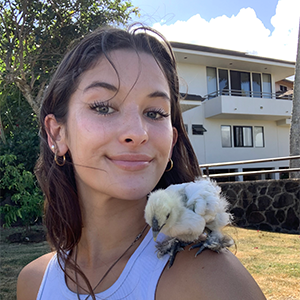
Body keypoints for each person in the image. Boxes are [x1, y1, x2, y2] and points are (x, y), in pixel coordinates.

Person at [17, 25, 266, 300]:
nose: (137, 133)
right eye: (103, 107)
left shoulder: (211, 283)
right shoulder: (33, 283)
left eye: (155, 113)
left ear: (171, 140)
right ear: (57, 133)